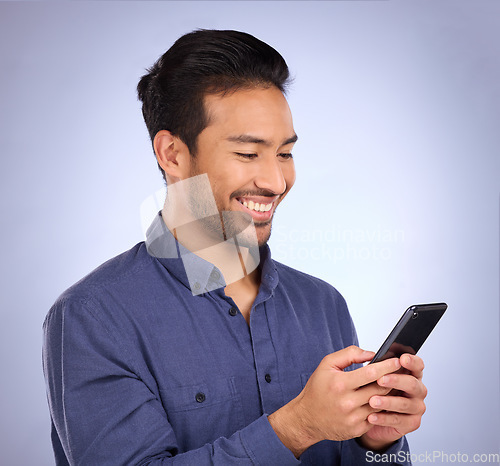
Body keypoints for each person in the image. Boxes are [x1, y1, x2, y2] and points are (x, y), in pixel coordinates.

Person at [43, 29, 426, 465]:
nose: (276, 182)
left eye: (284, 153)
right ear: (171, 154)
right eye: (248, 154)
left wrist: (378, 442)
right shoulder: (92, 318)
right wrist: (297, 426)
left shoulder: (324, 305)